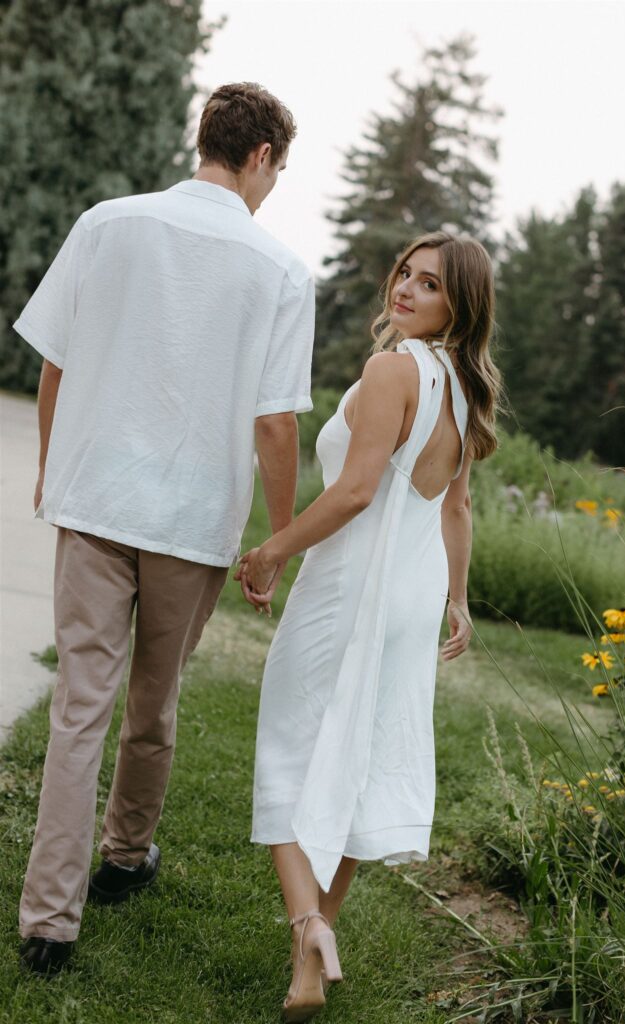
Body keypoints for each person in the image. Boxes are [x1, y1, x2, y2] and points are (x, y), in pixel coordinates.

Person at [13, 82, 315, 976]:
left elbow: (56, 364)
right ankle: (124, 857)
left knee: (79, 712)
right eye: (278, 170)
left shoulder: (107, 223)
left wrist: (49, 472)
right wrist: (279, 539)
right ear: (260, 157)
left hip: (96, 501)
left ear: (208, 141)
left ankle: (48, 923)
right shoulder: (282, 271)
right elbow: (276, 425)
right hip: (190, 521)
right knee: (153, 706)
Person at [238, 230, 503, 1021]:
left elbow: (354, 493)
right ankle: (306, 974)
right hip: (412, 597)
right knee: (355, 760)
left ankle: (308, 923)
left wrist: (272, 549)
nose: (405, 290)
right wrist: (457, 598)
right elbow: (454, 503)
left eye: (428, 285)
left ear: (459, 304)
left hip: (351, 588)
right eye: (404, 274)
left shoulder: (391, 370)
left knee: (286, 745)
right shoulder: (464, 387)